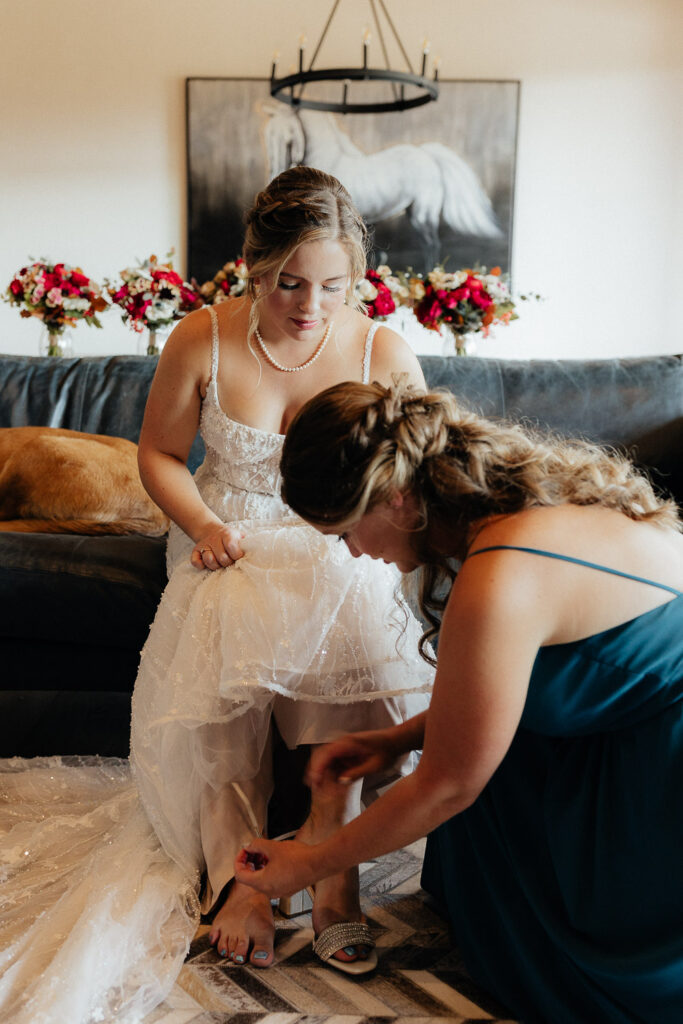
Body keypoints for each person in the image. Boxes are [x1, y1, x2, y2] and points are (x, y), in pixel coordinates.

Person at [0, 171, 434, 1023]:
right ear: (253, 267)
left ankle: (334, 871)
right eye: (289, 283)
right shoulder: (199, 337)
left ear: (356, 278)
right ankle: (243, 876)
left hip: (331, 536)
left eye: (333, 286)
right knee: (228, 625)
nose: (310, 306)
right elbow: (159, 455)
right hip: (224, 529)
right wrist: (201, 523)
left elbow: (407, 473)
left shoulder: (383, 353)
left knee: (346, 599)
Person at [235, 379, 683, 1024]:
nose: (355, 551)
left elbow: (447, 785)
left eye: (346, 532)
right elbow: (531, 682)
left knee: (476, 807)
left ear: (393, 499)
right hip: (625, 719)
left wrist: (307, 864)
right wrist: (396, 738)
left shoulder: (502, 571)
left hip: (656, 779)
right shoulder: (525, 505)